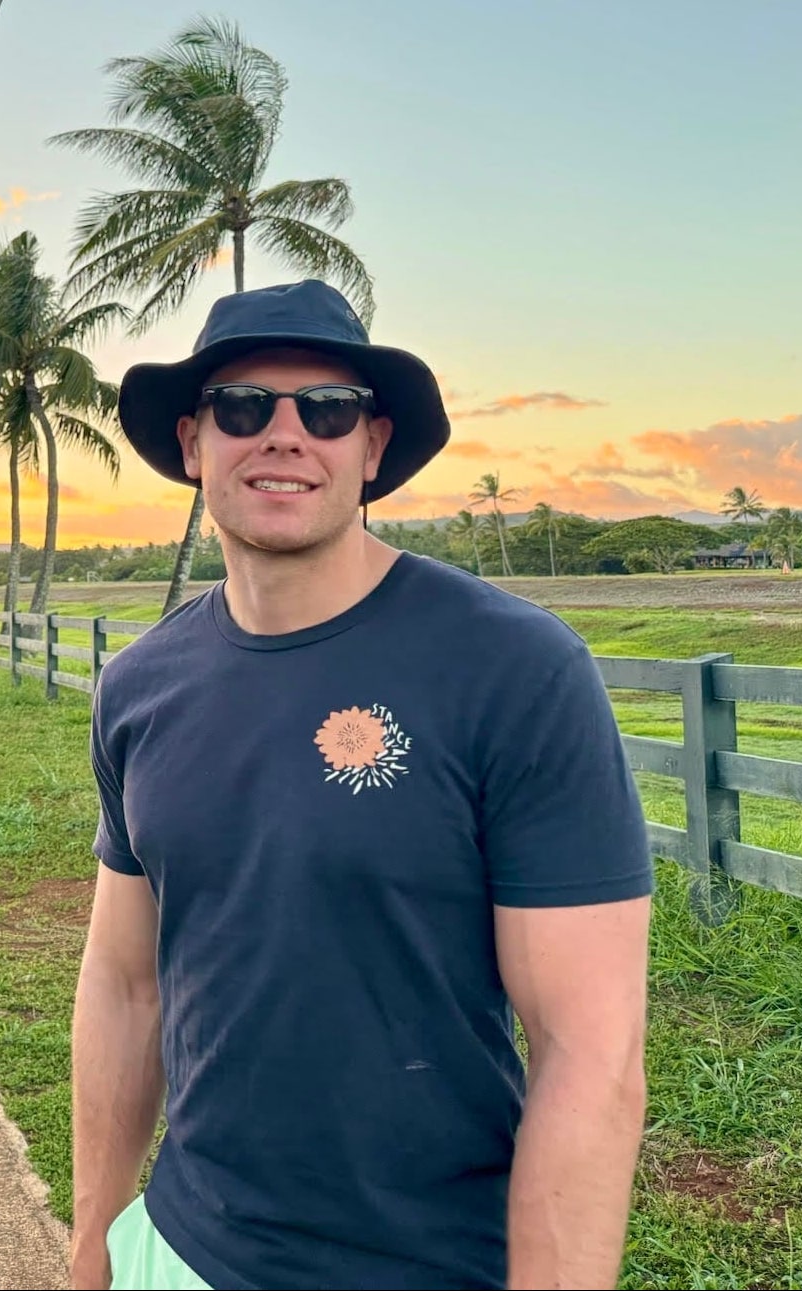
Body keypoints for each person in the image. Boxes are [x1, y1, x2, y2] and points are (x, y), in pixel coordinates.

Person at [73, 280, 653, 1291]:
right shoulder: (139, 687)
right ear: (194, 443)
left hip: (429, 1260)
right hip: (185, 1247)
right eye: (243, 407)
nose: (285, 435)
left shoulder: (513, 668)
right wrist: (95, 1242)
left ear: (372, 446)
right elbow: (124, 986)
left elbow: (588, 1050)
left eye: (327, 409)